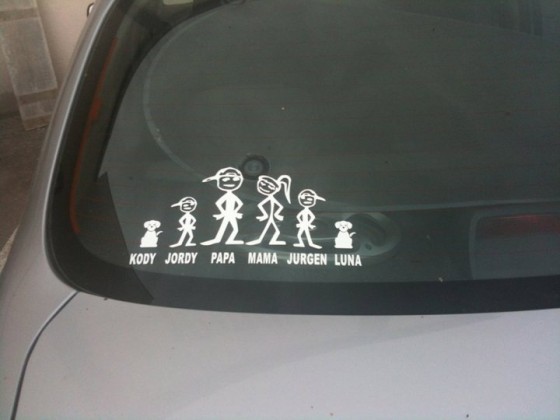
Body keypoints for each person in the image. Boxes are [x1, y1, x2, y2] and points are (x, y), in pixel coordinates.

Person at [201, 167, 244, 245]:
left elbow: (240, 204)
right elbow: (218, 203)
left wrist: (233, 212)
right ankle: (220, 240)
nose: (230, 182)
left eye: (235, 179)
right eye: (225, 179)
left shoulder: (231, 195)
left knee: (229, 228)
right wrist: (224, 212)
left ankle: (225, 240)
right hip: (228, 214)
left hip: (230, 214)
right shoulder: (228, 195)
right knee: (229, 228)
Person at [247, 175, 291, 246]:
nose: (264, 187)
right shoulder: (269, 199)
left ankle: (266, 240)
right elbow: (261, 205)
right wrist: (265, 215)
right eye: (262, 183)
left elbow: (280, 207)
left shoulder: (272, 199)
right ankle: (261, 240)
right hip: (269, 217)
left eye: (270, 186)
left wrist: (276, 214)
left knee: (272, 230)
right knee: (268, 229)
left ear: (276, 189)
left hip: (271, 217)